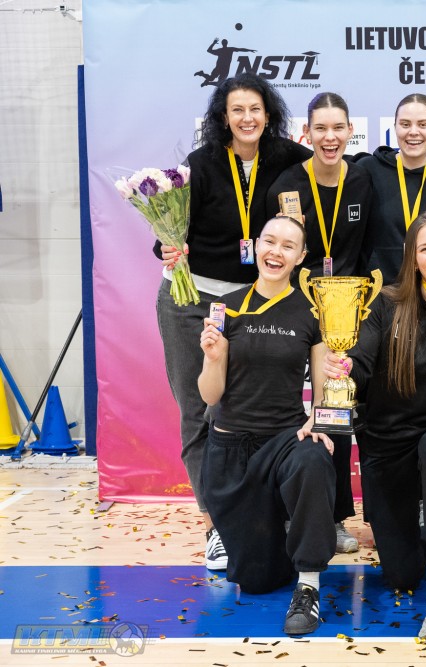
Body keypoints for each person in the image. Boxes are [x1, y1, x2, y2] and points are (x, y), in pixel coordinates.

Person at [156, 73, 311, 570]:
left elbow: (332, 175)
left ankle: (265, 516)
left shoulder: (288, 158)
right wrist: (167, 248)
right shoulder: (200, 164)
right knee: (197, 409)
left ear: (269, 114)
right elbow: (166, 235)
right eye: (237, 110)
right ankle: (214, 527)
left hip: (254, 303)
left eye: (255, 109)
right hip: (192, 298)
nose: (247, 118)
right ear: (223, 117)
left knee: (256, 411)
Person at [324, 211, 426, 640]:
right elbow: (361, 363)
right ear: (413, 259)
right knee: (401, 575)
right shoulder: (386, 303)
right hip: (387, 441)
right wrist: (344, 369)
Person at [198, 215, 338, 636]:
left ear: (301, 257)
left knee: (314, 457)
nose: (276, 252)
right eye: (269, 242)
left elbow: (324, 387)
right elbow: (210, 395)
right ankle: (273, 534)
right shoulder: (227, 307)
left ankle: (309, 585)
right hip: (231, 450)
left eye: (288, 246)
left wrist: (318, 420)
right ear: (256, 246)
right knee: (259, 580)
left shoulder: (312, 312)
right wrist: (213, 357)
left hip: (284, 441)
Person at [266, 92, 377, 555]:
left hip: (348, 314)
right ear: (306, 133)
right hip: (298, 310)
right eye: (320, 129)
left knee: (338, 406)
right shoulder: (287, 185)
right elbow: (273, 249)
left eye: (338, 128)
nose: (329, 138)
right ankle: (291, 507)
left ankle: (334, 516)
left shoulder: (364, 178)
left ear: (350, 132)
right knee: (292, 410)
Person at [359, 94, 426, 283]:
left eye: (423, 124)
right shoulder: (367, 170)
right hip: (377, 293)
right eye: (405, 124)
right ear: (395, 127)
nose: (413, 132)